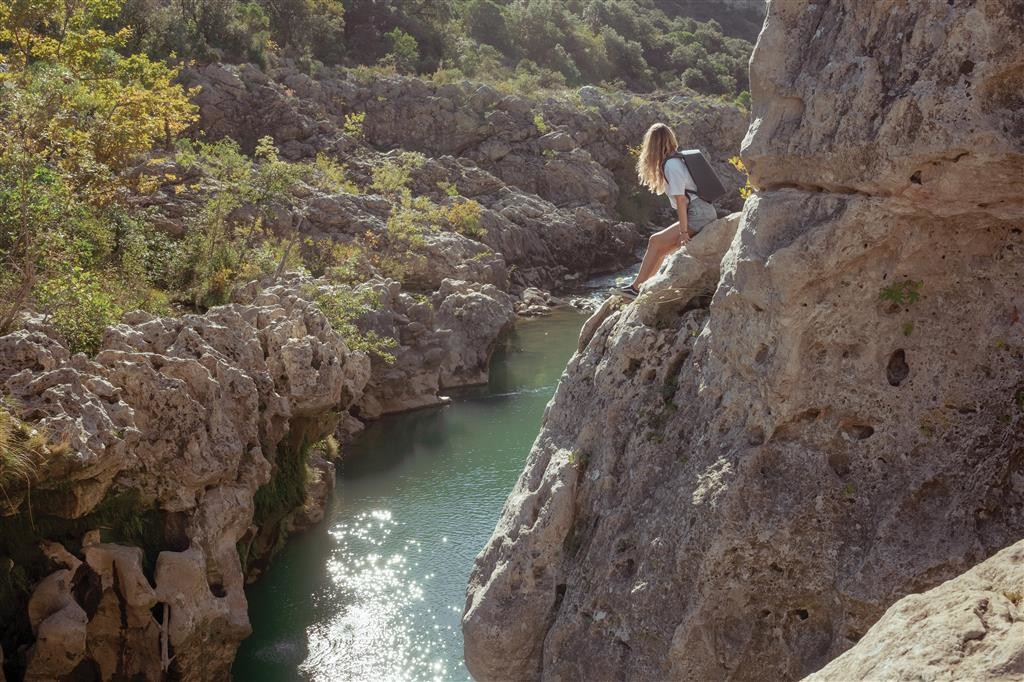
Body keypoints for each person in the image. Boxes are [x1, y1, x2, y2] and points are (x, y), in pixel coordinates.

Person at [617, 122, 718, 298]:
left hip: (699, 214)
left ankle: (635, 288)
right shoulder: (674, 162)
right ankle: (643, 289)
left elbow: (681, 200)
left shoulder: (672, 165)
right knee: (661, 249)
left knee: (655, 241)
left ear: (653, 145)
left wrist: (684, 232)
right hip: (699, 211)